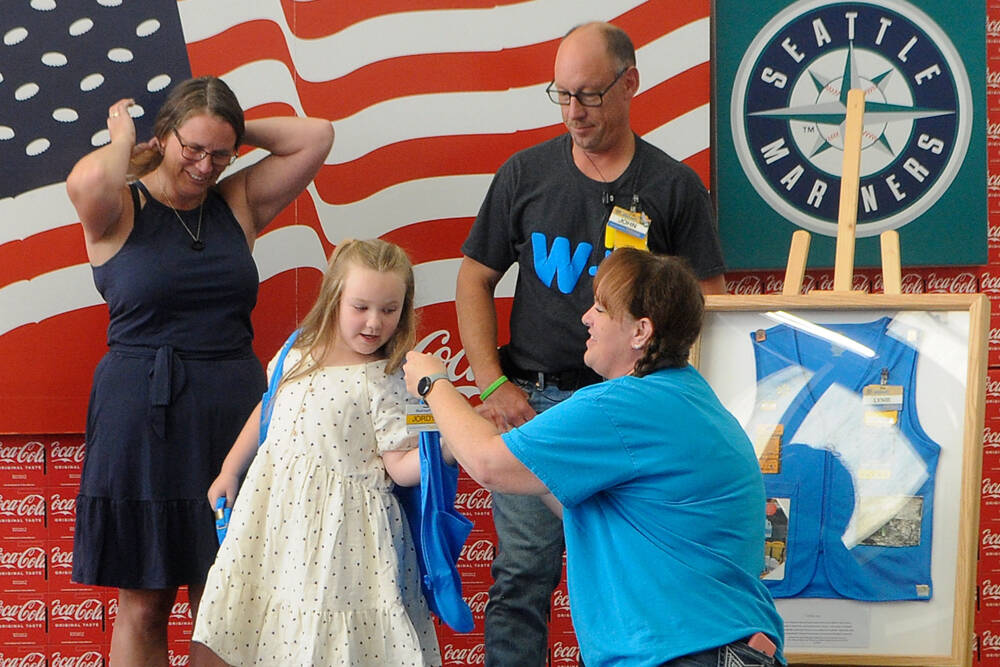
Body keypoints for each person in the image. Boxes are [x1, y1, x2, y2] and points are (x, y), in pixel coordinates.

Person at [454, 21, 727, 665]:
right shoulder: (525, 174)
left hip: (631, 415)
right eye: (563, 95)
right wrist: (492, 384)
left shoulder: (673, 187)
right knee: (521, 579)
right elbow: (474, 277)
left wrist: (667, 397)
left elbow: (710, 301)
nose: (575, 112)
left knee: (631, 578)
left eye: (591, 95)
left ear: (631, 83)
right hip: (535, 404)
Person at [406, 248, 784, 667]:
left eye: (601, 309)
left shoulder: (625, 405)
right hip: (715, 647)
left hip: (681, 652)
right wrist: (524, 448)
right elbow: (603, 512)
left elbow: (488, 465)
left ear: (641, 331)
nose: (586, 317)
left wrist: (433, 383)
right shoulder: (684, 395)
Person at [66, 75, 333, 665]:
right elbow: (85, 179)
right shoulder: (117, 207)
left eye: (221, 152)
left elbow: (316, 136)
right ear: (165, 136)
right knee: (144, 603)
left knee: (225, 599)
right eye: (193, 148)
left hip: (231, 416)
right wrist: (123, 141)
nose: (206, 165)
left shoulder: (236, 202)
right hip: (142, 416)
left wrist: (230, 126)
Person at [191, 239, 442, 665]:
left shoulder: (386, 379)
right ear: (333, 299)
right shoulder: (296, 352)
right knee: (260, 631)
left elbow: (400, 465)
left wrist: (447, 448)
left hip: (343, 542)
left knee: (323, 643)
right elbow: (267, 409)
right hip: (272, 522)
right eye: (360, 306)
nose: (374, 322)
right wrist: (231, 469)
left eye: (389, 309)